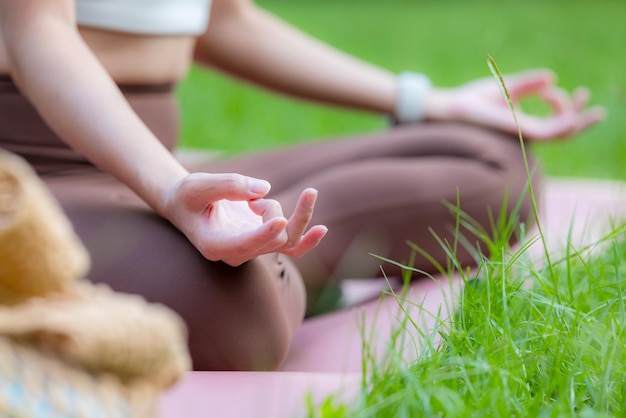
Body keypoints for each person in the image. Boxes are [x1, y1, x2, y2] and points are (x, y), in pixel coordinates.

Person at [0, 0, 604, 371]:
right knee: (243, 316)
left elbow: (221, 20)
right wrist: (169, 189)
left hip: (148, 163)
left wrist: (427, 101)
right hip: (29, 179)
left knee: (494, 164)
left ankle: (269, 240)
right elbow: (36, 33)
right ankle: (264, 260)